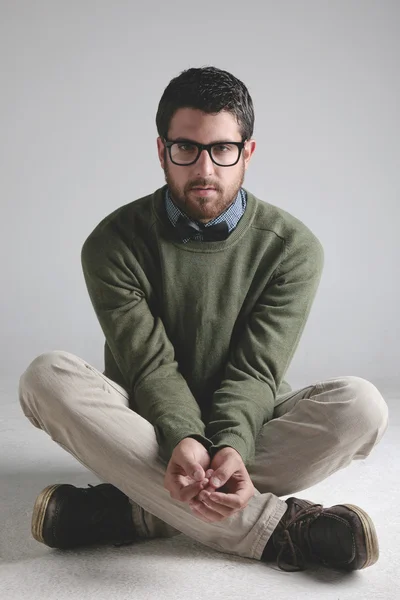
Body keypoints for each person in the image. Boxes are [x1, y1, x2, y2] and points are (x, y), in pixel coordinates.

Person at [19, 66, 389, 573]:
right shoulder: (113, 242)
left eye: (223, 149)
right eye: (186, 148)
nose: (205, 169)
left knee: (362, 407)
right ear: (162, 150)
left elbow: (255, 371)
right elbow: (149, 368)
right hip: (144, 424)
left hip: (249, 419)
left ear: (247, 152)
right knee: (45, 378)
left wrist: (232, 445)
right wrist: (184, 439)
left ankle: (140, 511)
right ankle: (282, 531)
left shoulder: (292, 248)